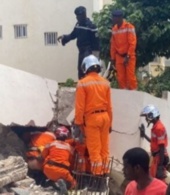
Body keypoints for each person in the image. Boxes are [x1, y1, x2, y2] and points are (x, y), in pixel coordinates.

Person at [73, 55, 112, 187]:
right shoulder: (105, 83)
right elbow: (109, 106)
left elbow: (80, 107)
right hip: (105, 117)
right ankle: (105, 176)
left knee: (94, 151)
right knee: (104, 150)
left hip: (92, 119)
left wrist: (78, 123)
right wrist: (110, 122)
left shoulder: (83, 83)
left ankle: (97, 181)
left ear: (85, 67)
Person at [58, 6, 100, 79]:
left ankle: (89, 88)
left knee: (88, 71)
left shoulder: (91, 26)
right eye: (76, 16)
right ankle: (81, 88)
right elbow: (73, 35)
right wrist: (64, 37)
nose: (77, 17)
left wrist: (95, 57)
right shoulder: (78, 25)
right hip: (81, 51)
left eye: (78, 16)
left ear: (84, 15)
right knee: (80, 70)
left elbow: (96, 43)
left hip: (89, 52)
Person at [42, 126, 77, 195]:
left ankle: (52, 182)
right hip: (62, 171)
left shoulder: (51, 144)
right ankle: (66, 185)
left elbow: (43, 155)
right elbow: (71, 161)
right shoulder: (69, 148)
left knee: (53, 175)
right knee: (74, 184)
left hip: (47, 169)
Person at [139, 105, 169, 180]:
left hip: (159, 158)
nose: (146, 118)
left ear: (151, 115)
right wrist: (144, 135)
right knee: (153, 178)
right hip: (157, 157)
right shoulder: (156, 127)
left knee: (157, 180)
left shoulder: (159, 128)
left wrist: (160, 166)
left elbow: (161, 147)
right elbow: (154, 142)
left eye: (146, 116)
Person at [110, 10, 137, 90]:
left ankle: (134, 95)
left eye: (114, 17)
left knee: (130, 77)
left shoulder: (129, 27)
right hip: (119, 56)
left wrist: (128, 56)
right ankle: (124, 95)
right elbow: (113, 45)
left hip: (129, 56)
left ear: (119, 18)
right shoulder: (114, 29)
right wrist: (112, 58)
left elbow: (132, 43)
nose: (113, 19)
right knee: (121, 78)